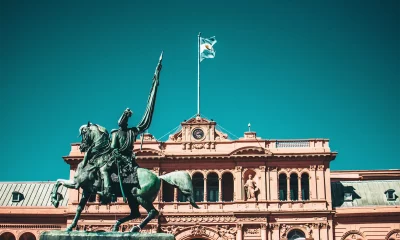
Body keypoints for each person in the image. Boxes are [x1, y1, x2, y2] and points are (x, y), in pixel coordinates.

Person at [98, 52, 162, 202]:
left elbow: (114, 148)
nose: (123, 122)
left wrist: (154, 86)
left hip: (121, 159)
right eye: (123, 120)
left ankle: (108, 192)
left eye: (124, 120)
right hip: (126, 159)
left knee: (104, 169)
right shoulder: (129, 132)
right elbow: (144, 123)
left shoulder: (125, 133)